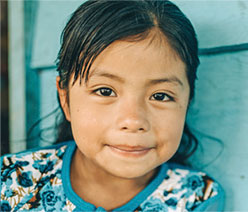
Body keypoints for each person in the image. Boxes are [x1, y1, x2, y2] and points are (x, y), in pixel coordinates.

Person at [1, 0, 225, 211]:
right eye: (105, 91)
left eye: (160, 96)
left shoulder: (196, 198)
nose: (133, 121)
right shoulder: (12, 182)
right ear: (65, 98)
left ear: (187, 102)